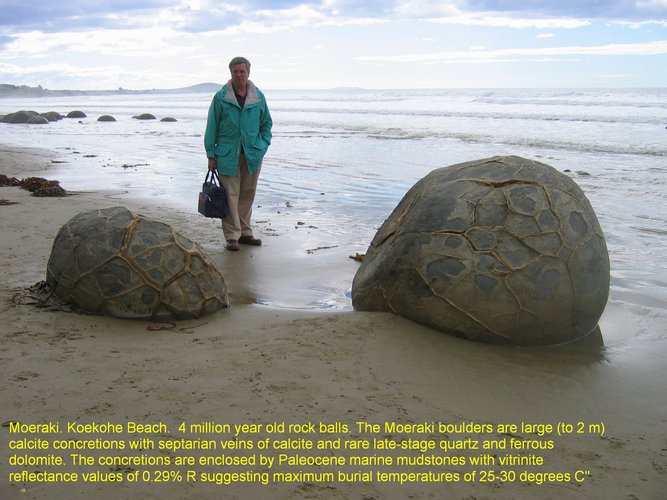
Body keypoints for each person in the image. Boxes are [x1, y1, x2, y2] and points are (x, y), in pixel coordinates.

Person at [204, 56, 273, 251]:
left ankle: (245, 232)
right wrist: (211, 155)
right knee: (230, 196)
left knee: (247, 194)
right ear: (231, 74)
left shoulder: (258, 97)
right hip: (227, 155)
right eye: (235, 72)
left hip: (252, 154)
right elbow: (212, 127)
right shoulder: (221, 97)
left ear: (248, 73)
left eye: (242, 71)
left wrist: (262, 145)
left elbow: (267, 124)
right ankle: (232, 236)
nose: (239, 75)